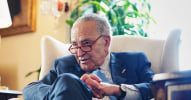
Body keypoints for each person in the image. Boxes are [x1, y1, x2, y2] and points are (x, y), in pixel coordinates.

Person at [23, 13, 155, 100]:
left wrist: (117, 90)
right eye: (75, 45)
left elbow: (157, 88)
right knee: (67, 80)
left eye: (86, 43)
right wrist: (75, 87)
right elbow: (30, 90)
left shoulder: (134, 61)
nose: (79, 53)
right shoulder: (64, 65)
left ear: (106, 42)